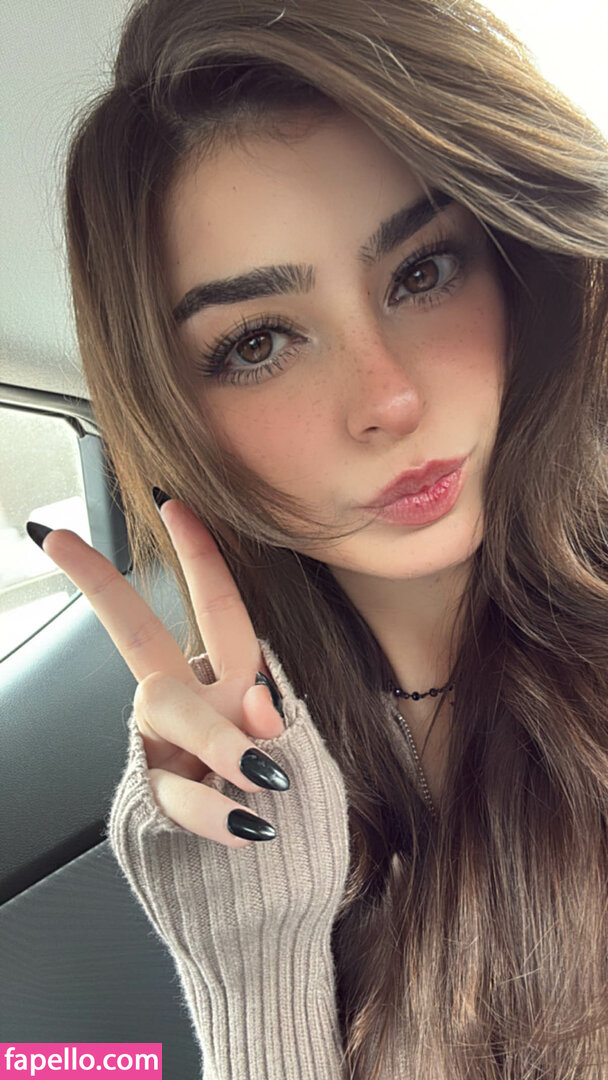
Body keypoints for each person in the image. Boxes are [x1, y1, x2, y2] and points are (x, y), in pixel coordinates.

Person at [25, 0, 608, 1075]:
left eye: (422, 271)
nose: (387, 398)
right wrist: (251, 954)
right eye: (258, 342)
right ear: (175, 414)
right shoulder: (253, 760)